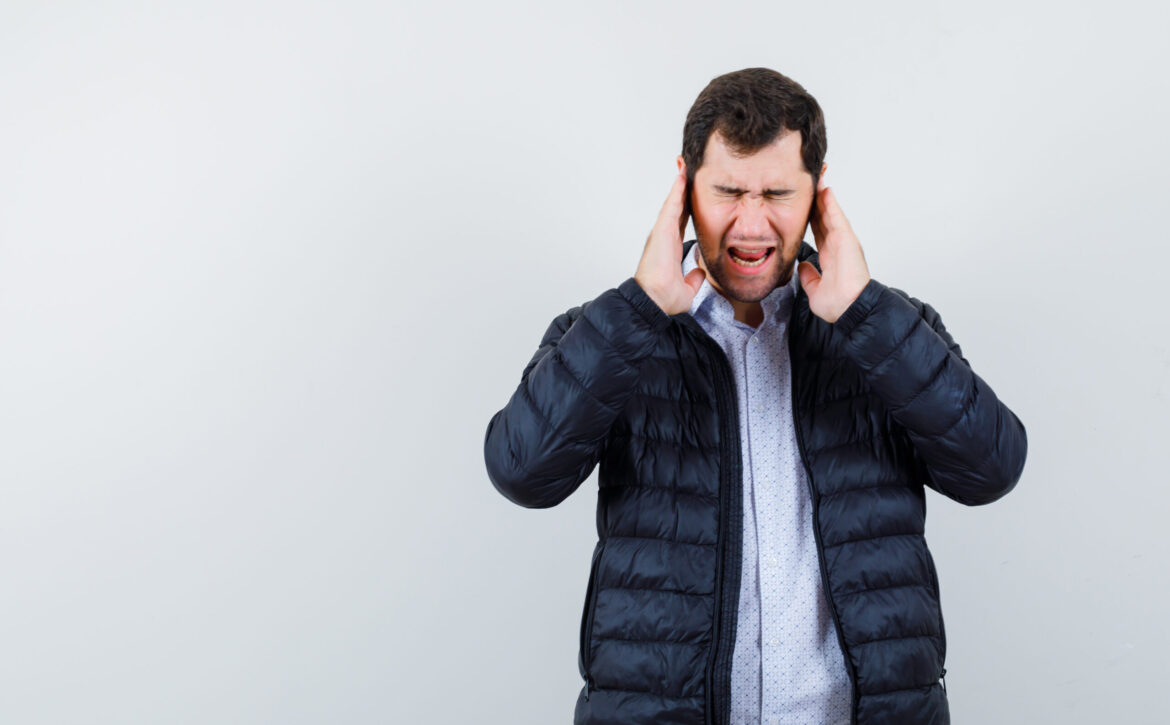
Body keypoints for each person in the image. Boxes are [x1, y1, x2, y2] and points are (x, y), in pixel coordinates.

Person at [483, 67, 1027, 725]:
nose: (750, 222)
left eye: (776, 192)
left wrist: (862, 314)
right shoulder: (611, 334)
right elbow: (521, 472)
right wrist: (639, 310)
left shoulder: (888, 329)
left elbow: (991, 468)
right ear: (684, 187)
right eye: (728, 191)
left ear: (817, 198)